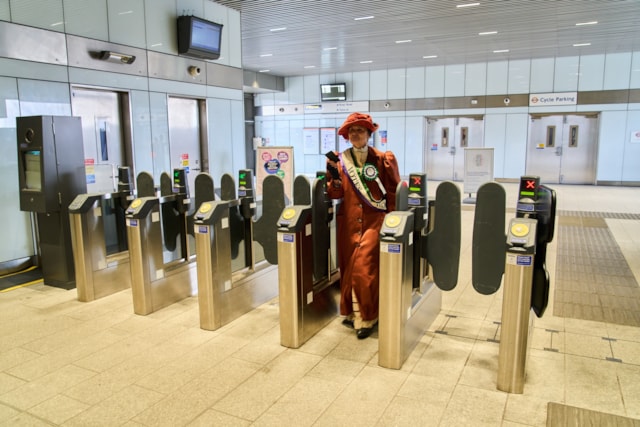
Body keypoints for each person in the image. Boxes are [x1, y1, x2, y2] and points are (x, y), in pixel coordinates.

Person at [326, 112, 401, 339]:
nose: (356, 134)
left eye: (360, 130)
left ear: (369, 133)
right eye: (352, 131)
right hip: (347, 221)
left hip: (374, 220)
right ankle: (349, 312)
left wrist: (391, 220)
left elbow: (393, 192)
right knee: (348, 268)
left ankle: (368, 316)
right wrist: (332, 174)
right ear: (347, 136)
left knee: (365, 268)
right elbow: (334, 193)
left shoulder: (383, 158)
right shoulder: (339, 160)